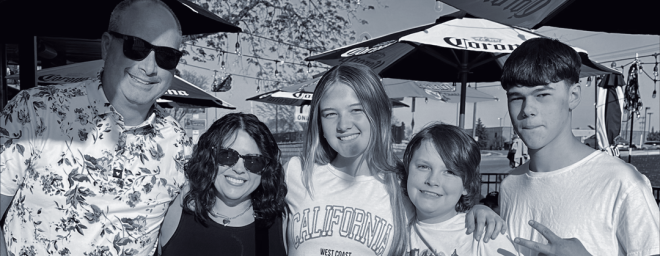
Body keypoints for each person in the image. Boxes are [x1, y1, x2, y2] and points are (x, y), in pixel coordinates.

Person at [0, 0, 190, 255]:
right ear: (107, 45)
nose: (149, 67)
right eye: (137, 47)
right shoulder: (35, 111)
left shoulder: (178, 143)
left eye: (167, 56)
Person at [284, 63, 506, 256]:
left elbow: (442, 216)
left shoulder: (403, 186)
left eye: (356, 110)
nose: (343, 125)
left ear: (379, 115)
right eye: (330, 114)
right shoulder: (296, 174)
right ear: (319, 122)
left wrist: (477, 211)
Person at [499, 37, 660, 256]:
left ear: (573, 96)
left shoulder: (622, 182)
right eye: (516, 97)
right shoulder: (510, 184)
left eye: (543, 94)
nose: (527, 109)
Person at [158, 113, 287, 256]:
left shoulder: (281, 224)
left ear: (266, 168)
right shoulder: (176, 206)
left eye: (253, 161)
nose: (239, 169)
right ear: (209, 156)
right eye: (227, 155)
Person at [402, 123, 518, 256]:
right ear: (407, 169)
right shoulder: (392, 225)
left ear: (467, 186)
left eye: (449, 172)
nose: (432, 180)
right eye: (423, 166)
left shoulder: (484, 235)